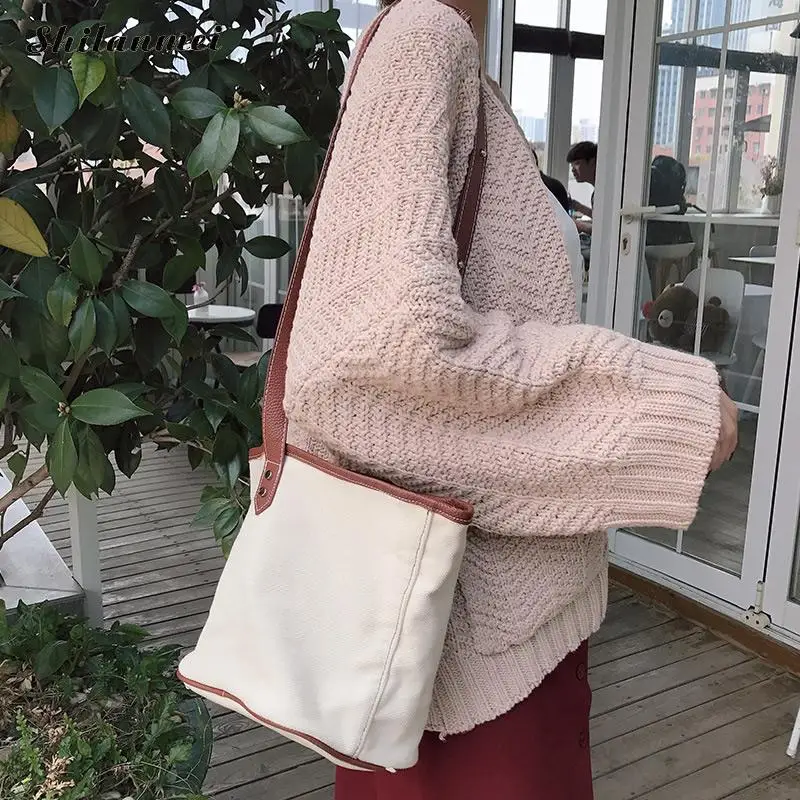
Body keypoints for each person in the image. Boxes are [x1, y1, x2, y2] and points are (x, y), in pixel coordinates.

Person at [282, 0, 739, 797]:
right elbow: (370, 365)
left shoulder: (451, 61)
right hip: (458, 656)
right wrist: (665, 411)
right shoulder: (423, 40)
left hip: (481, 628)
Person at [567, 140, 598, 234]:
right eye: (571, 165)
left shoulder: (605, 193)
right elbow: (600, 218)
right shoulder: (597, 191)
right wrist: (579, 207)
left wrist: (579, 226)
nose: (573, 169)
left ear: (592, 162)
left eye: (577, 163)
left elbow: (603, 229)